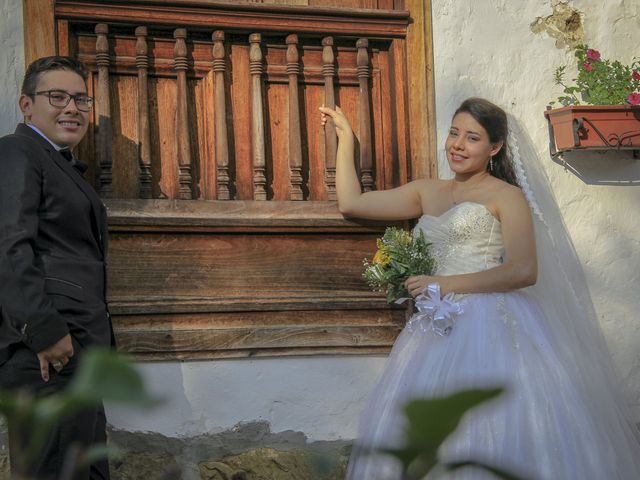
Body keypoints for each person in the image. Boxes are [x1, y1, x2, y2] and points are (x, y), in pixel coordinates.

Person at [319, 98, 640, 479]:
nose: (457, 144)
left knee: (493, 428)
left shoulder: (506, 196)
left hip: (493, 324)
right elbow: (351, 203)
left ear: (495, 147)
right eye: (454, 133)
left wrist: (445, 283)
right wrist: (346, 141)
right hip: (432, 331)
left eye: (472, 138)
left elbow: (524, 271)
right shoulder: (426, 191)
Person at [0, 56, 113, 479]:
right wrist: (46, 333)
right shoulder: (15, 151)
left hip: (75, 351)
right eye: (57, 97)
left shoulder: (57, 161)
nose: (72, 108)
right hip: (46, 354)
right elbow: (8, 244)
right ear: (26, 105)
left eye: (81, 99)